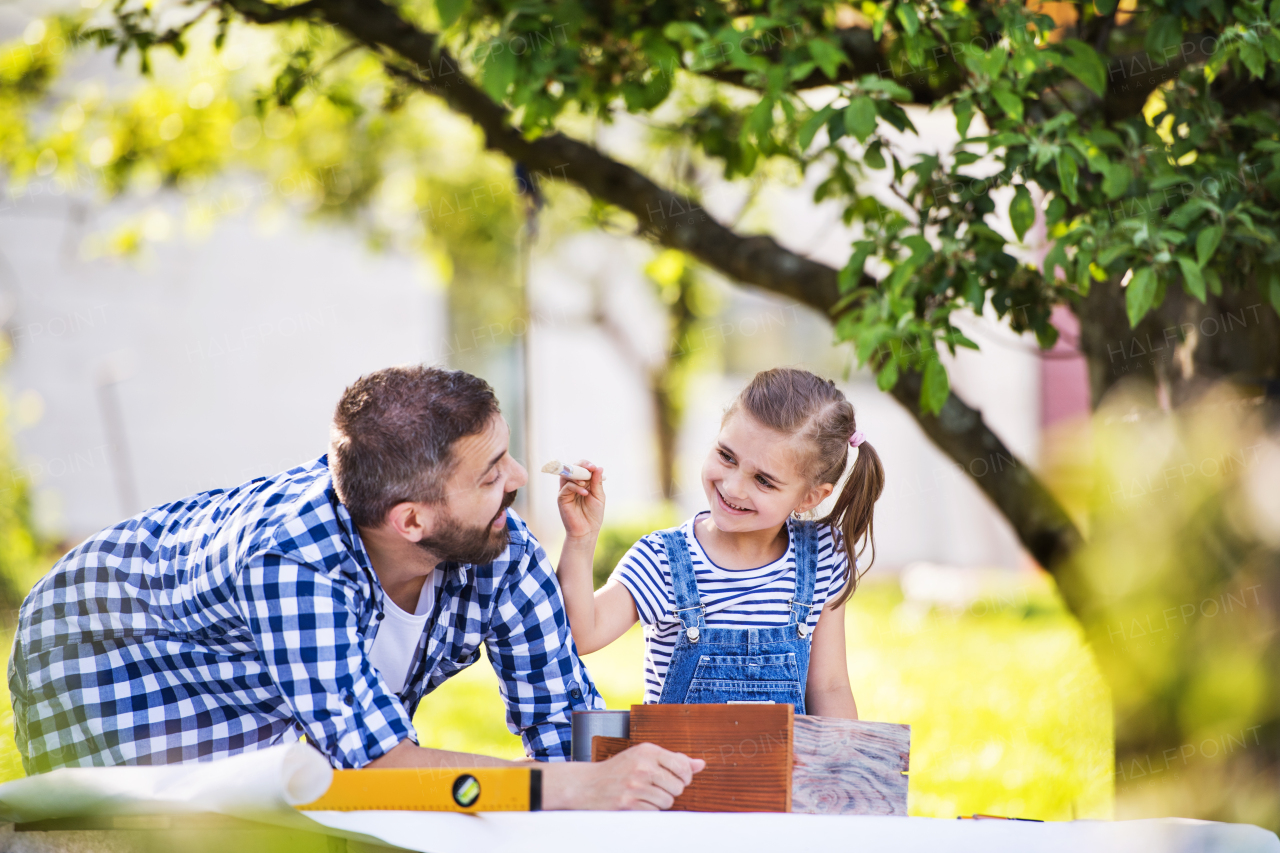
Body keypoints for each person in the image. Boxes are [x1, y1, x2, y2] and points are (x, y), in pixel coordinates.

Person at [9, 365, 702, 810]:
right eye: (491, 472)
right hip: (97, 656)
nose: (520, 477)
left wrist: (643, 772)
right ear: (411, 519)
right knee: (230, 812)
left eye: (507, 453)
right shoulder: (293, 562)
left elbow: (569, 723)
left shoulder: (496, 543)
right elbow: (383, 765)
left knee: (322, 789)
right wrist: (577, 787)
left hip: (261, 688)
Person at [555, 367, 885, 716]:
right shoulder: (663, 559)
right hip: (677, 769)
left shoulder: (822, 558)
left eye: (763, 480)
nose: (732, 487)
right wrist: (581, 536)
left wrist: (839, 768)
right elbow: (580, 634)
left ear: (810, 497)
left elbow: (829, 686)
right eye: (727, 457)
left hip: (783, 771)